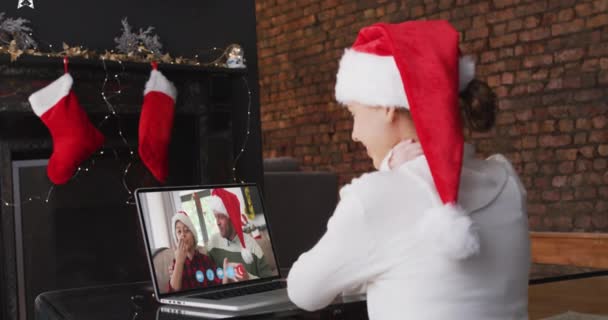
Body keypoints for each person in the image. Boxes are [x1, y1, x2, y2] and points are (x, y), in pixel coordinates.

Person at [286, 20, 530, 320]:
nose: (354, 133)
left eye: (354, 114)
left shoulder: (374, 197)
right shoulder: (506, 180)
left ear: (386, 107)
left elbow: (303, 291)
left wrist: (388, 179)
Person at [206, 188, 274, 282]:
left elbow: (270, 281)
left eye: (221, 217)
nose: (217, 222)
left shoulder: (252, 246)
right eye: (215, 217)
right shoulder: (212, 243)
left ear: (232, 218)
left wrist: (248, 278)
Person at [168, 211, 221, 292]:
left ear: (193, 235)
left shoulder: (205, 260)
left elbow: (218, 283)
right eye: (179, 232)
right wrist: (179, 262)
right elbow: (173, 291)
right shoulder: (175, 265)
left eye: (186, 230)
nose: (183, 235)